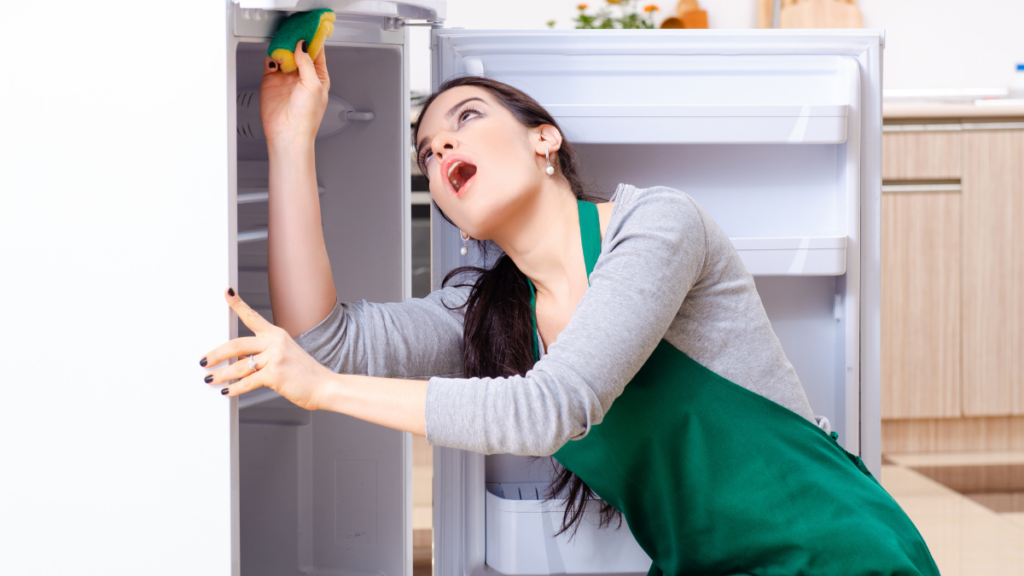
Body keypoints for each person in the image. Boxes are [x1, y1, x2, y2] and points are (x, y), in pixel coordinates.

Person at [200, 42, 939, 576]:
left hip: (837, 554)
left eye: (466, 118)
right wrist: (289, 139)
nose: (443, 143)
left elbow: (552, 407)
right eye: (428, 151)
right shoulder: (488, 316)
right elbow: (324, 341)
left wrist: (321, 392)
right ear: (452, 215)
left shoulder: (656, 226)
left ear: (544, 140)